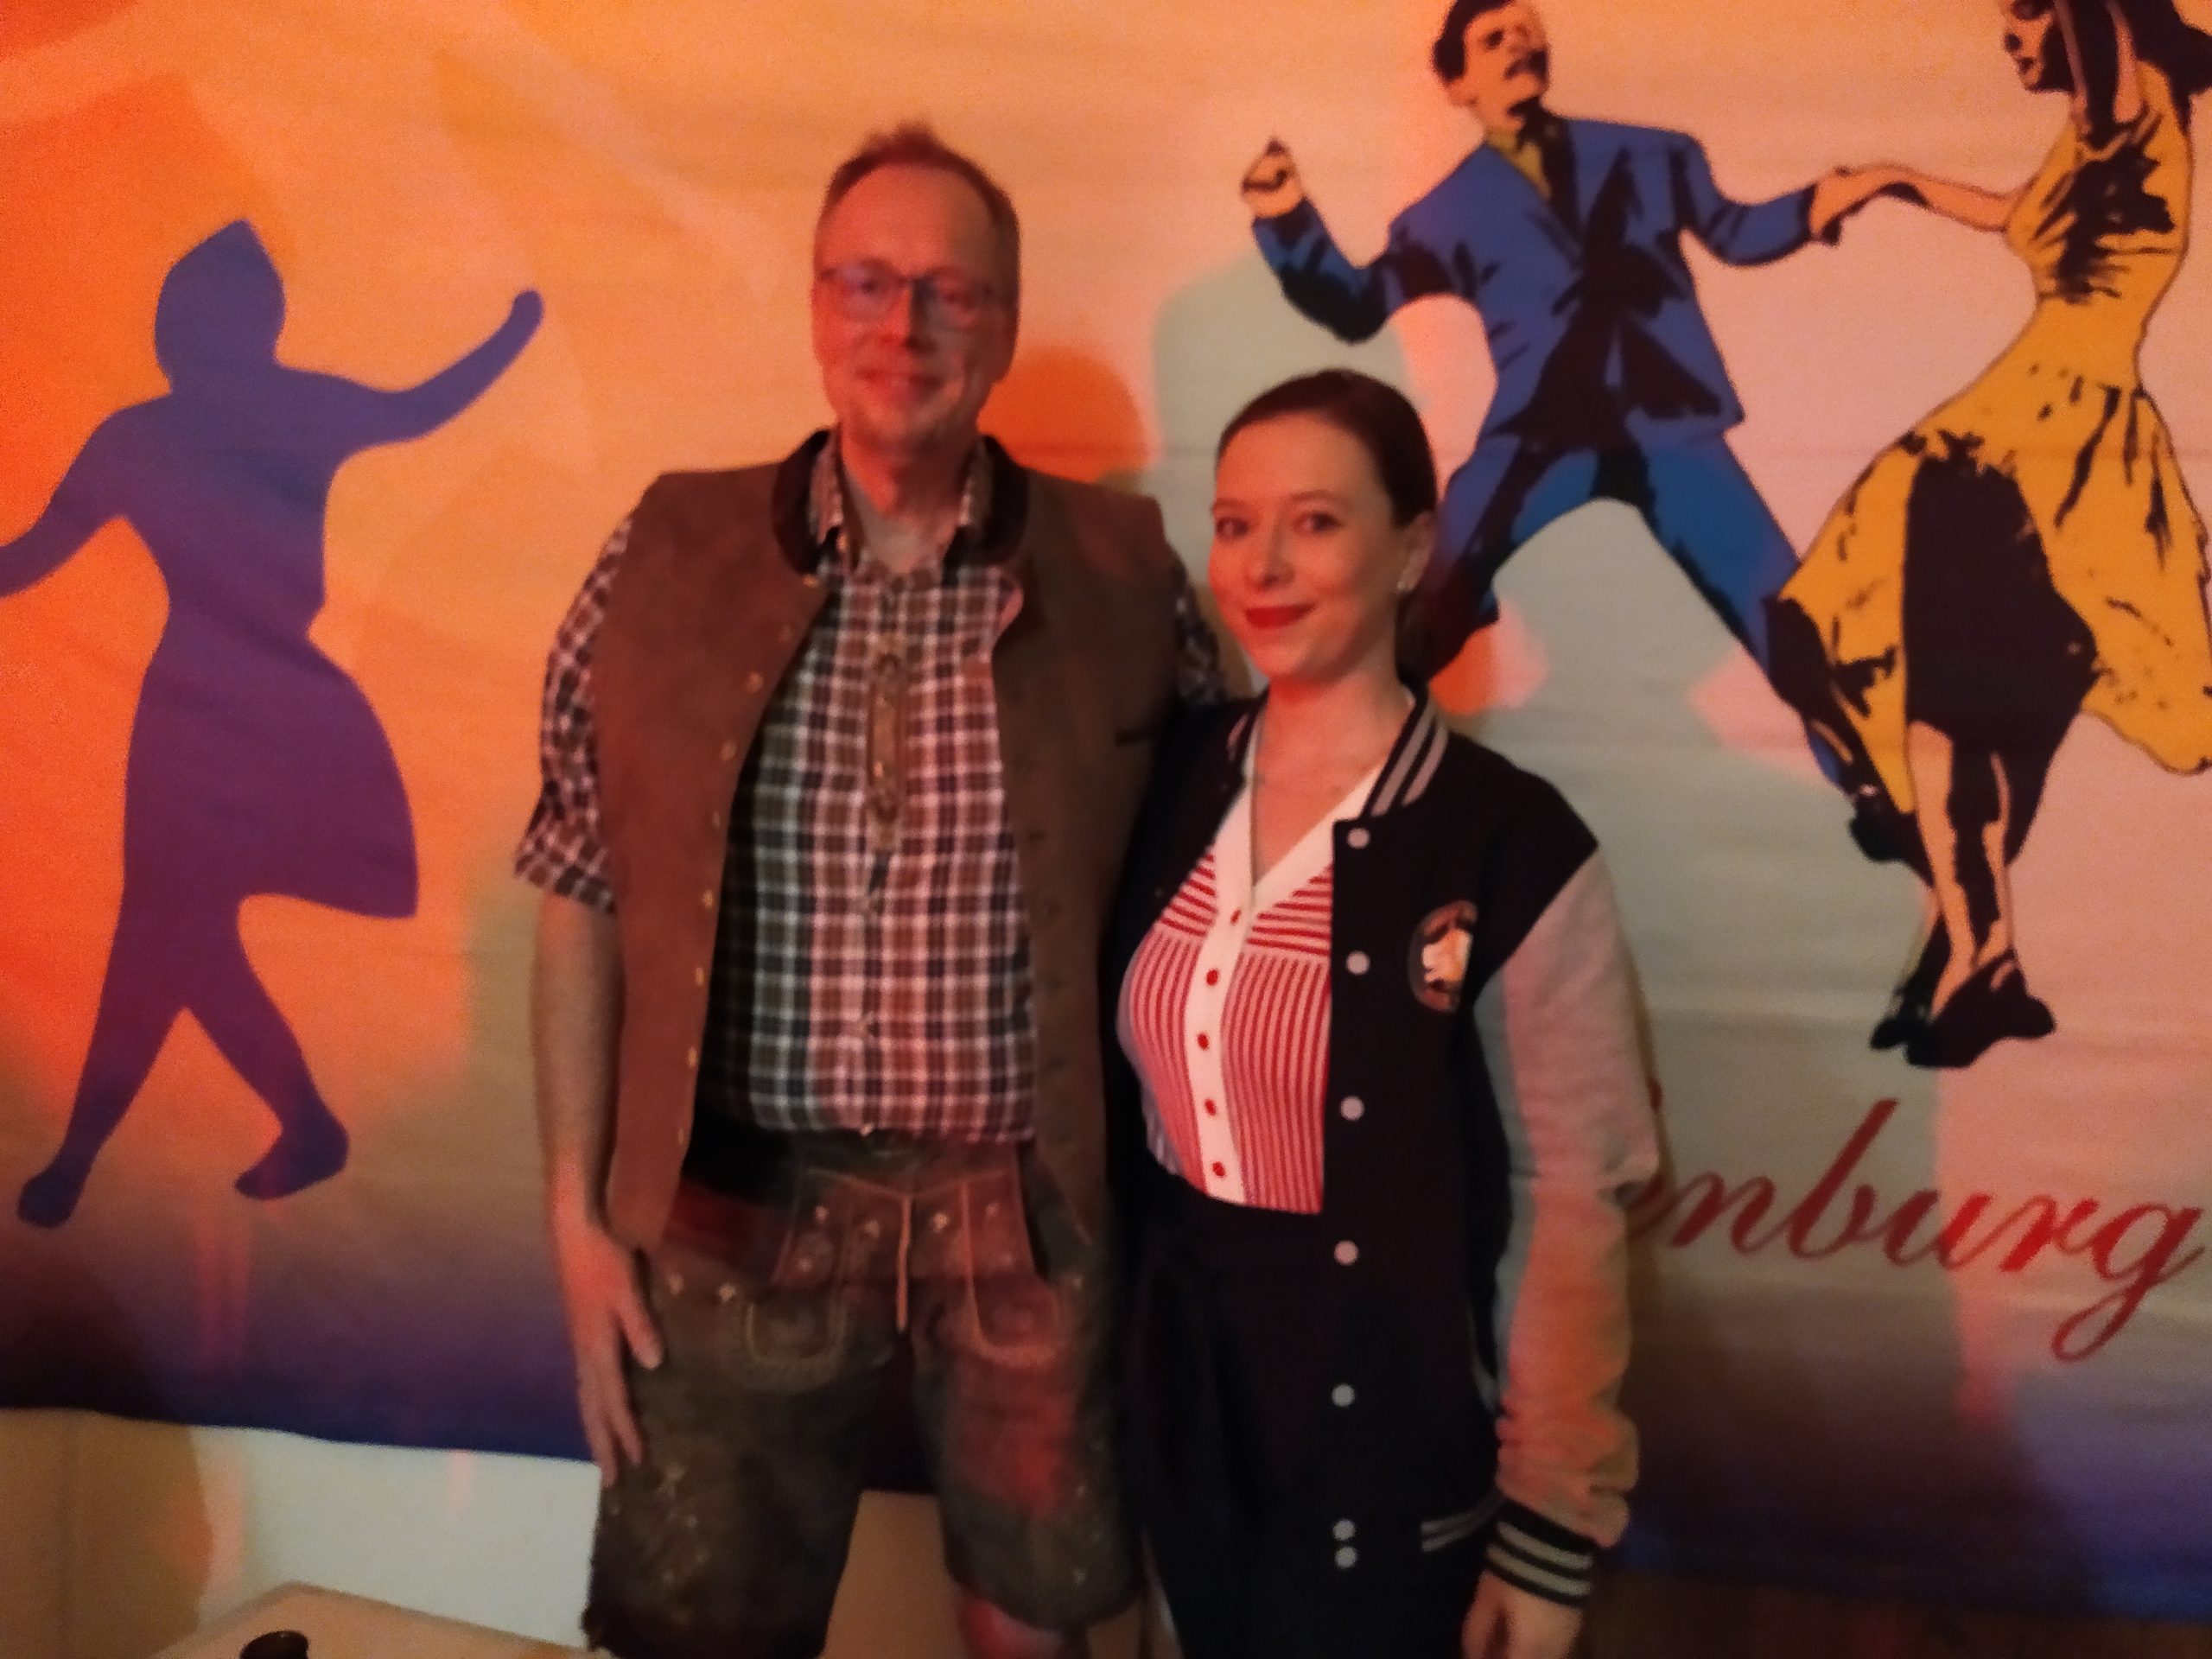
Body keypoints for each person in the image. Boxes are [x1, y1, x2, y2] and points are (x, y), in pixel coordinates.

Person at [516, 124, 1223, 1659]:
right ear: (816, 305)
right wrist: (576, 1217)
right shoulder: (667, 552)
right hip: (732, 1202)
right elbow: (578, 880)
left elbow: (1226, 893)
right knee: (692, 1635)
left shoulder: (1124, 573)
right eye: (867, 283)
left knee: (1034, 1627)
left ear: (1004, 328)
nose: (906, 328)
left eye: (952, 294)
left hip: (1032, 1208)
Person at [1105, 369, 1658, 1659]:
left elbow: (1572, 1195)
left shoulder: (1511, 843)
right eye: (1235, 524)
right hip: (1186, 1421)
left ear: (1411, 550)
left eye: (1315, 522)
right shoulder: (1167, 779)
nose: (1263, 567)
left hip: (1389, 1442)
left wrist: (1549, 1529)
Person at [6, 219, 540, 1228]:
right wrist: (513, 328)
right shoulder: (150, 434)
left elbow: (422, 409)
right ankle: (233, 1132)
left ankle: (133, 1148)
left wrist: (516, 328)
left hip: (269, 709)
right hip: (203, 710)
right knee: (172, 929)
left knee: (166, 930)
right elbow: (30, 557)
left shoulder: (239, 417)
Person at [1768, 0, 2212, 1068]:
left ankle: (1974, 947)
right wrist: (1888, 179)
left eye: (2025, 16)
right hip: (2036, 432)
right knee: (1982, 713)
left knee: (1930, 691)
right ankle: (1970, 942)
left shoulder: (2127, 108)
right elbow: (2012, 213)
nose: (2009, 39)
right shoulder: (2097, 144)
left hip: (2039, 440)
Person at [1240, 0, 1894, 685]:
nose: (1518, 45)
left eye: (1529, 33)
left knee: (1788, 621)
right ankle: (1369, 718)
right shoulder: (1447, 212)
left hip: (1667, 420)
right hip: (1539, 431)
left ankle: (1858, 754)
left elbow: (1737, 233)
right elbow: (1357, 307)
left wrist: (1820, 203)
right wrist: (1286, 218)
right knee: (1427, 599)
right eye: (1494, 40)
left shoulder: (1654, 155)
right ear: (1458, 86)